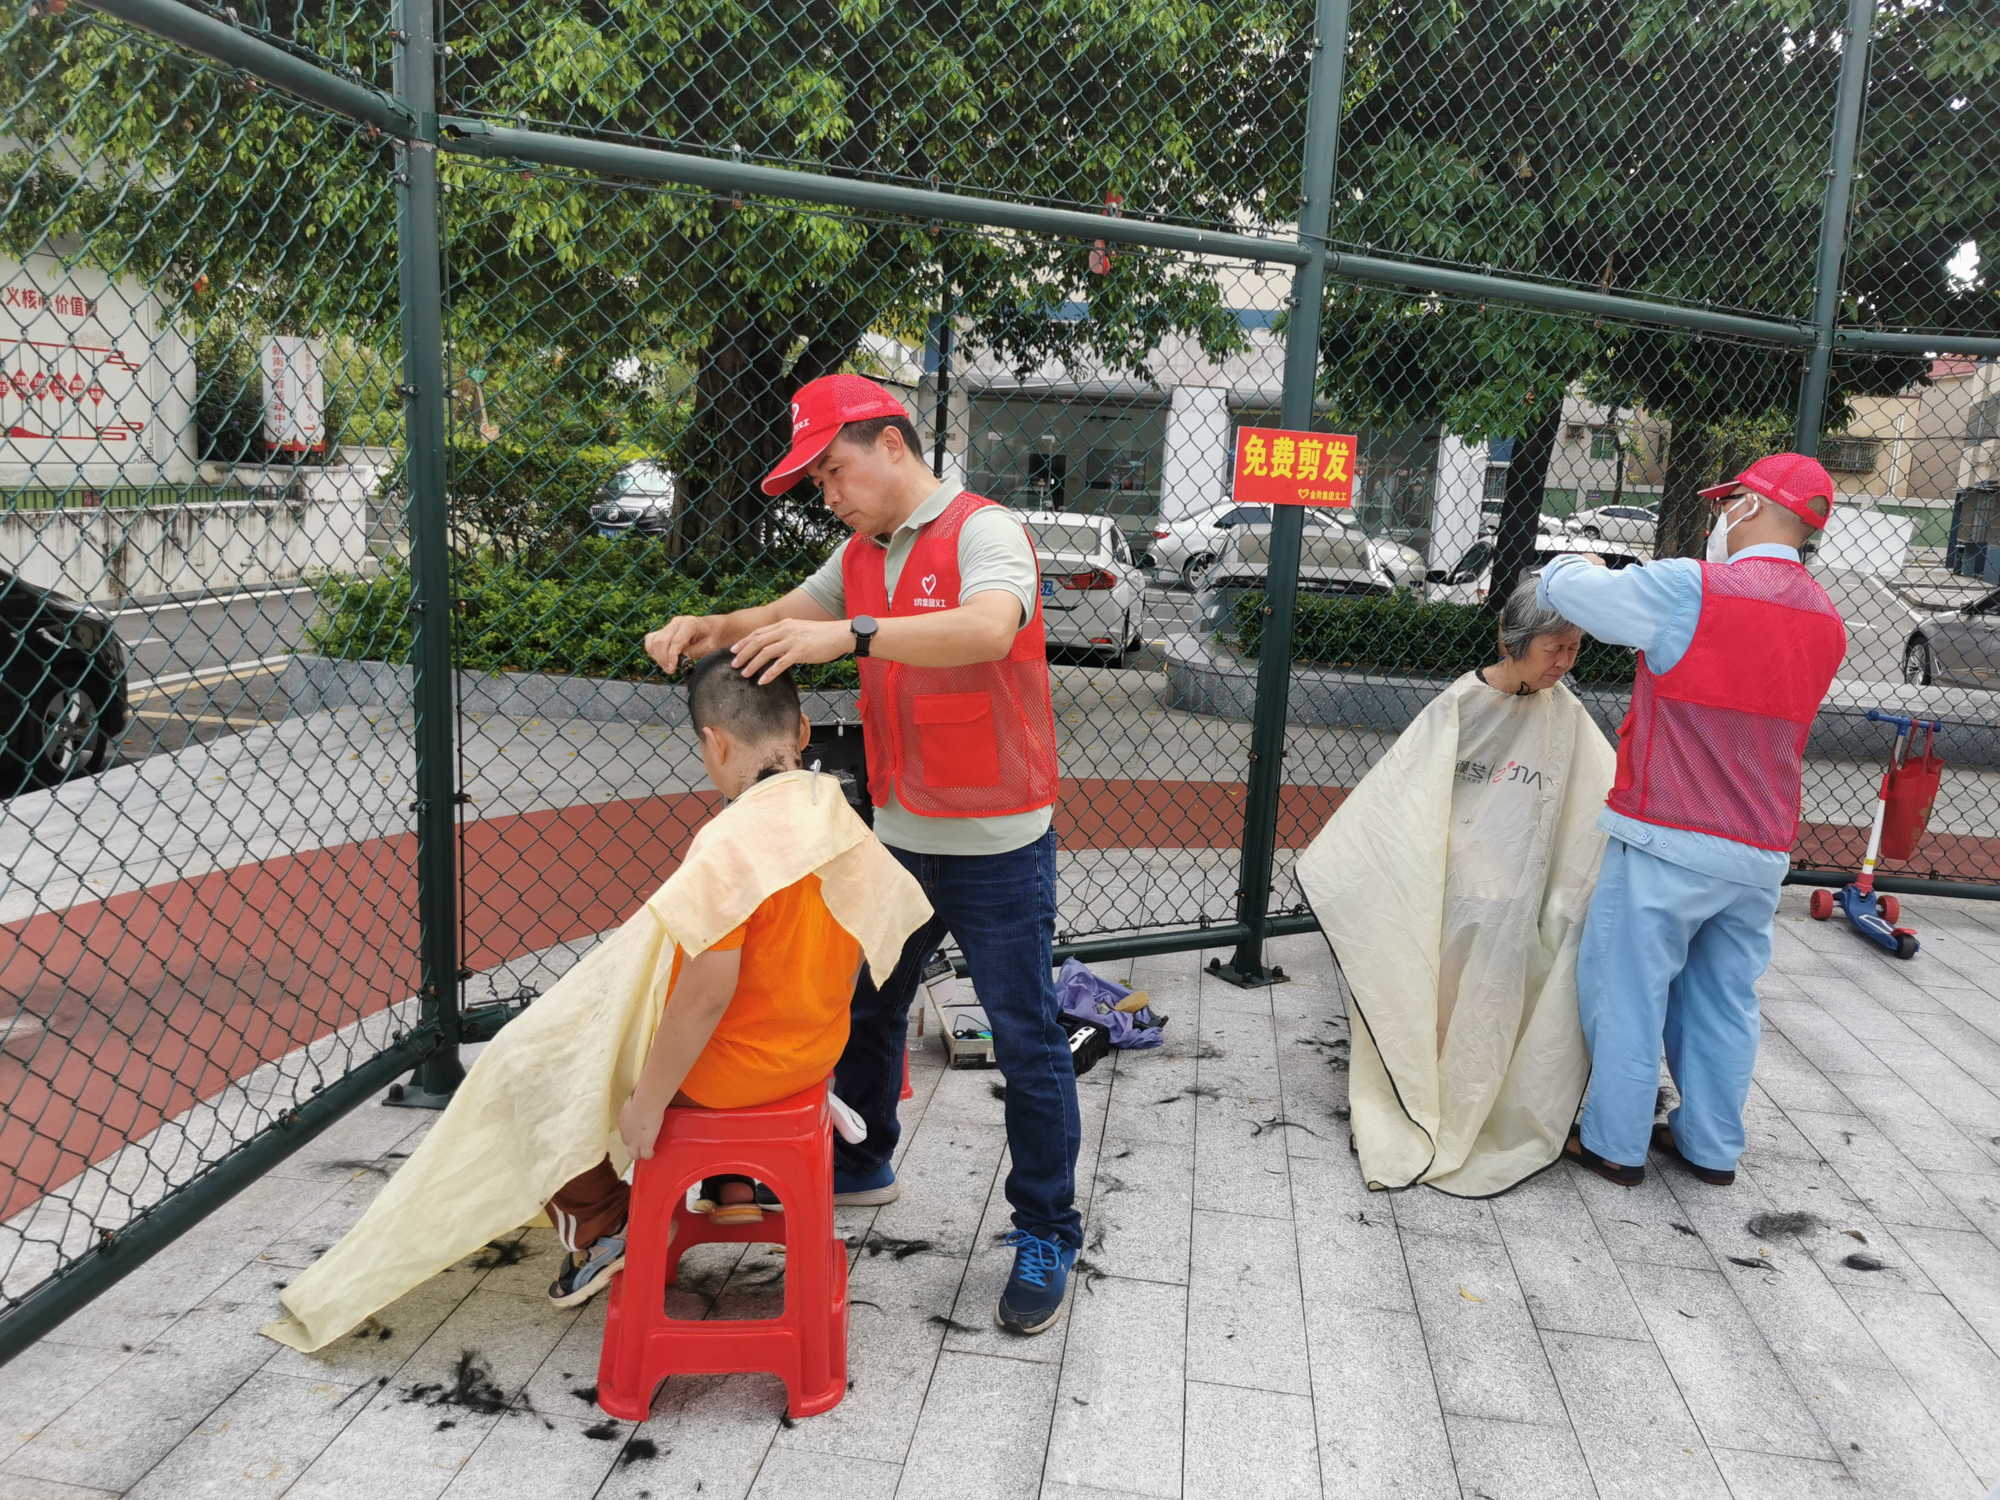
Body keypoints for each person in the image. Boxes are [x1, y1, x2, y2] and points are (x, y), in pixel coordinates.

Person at [262, 654, 931, 1352]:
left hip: (737, 1072)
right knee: (600, 1047)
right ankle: (731, 1184)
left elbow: (707, 995)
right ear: (802, 729)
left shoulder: (732, 842)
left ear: (714, 744)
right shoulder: (832, 810)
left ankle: (606, 1222)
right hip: (812, 1051)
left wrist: (646, 1106)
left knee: (528, 1069)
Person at [643, 374, 1083, 1336]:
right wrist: (711, 628)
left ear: (891, 444)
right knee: (868, 1008)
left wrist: (849, 634)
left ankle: (1048, 1230)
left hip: (999, 843)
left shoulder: (984, 531)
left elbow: (989, 626)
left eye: (834, 472)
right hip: (898, 834)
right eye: (817, 484)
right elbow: (781, 613)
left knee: (1027, 1038)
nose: (830, 496)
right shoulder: (860, 555)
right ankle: (864, 1158)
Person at [1542, 452, 1846, 1188]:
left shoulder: (1692, 588)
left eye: (1726, 503)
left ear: (1750, 505)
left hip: (1667, 835)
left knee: (1626, 989)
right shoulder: (1827, 622)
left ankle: (1614, 1144)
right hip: (1759, 848)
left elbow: (1571, 593)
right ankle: (1710, 1148)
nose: (1719, 517)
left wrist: (1578, 563)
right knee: (1723, 1001)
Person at [1297, 573, 1615, 1196]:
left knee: (1504, 990)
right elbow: (1409, 801)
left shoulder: (1565, 713)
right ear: (1512, 638)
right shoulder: (1460, 706)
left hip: (1522, 895)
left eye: (1575, 648)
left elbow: (1594, 795)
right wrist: (1473, 856)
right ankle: (1425, 1095)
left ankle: (1486, 1097)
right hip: (1451, 887)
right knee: (1443, 986)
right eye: (1554, 648)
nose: (1565, 662)